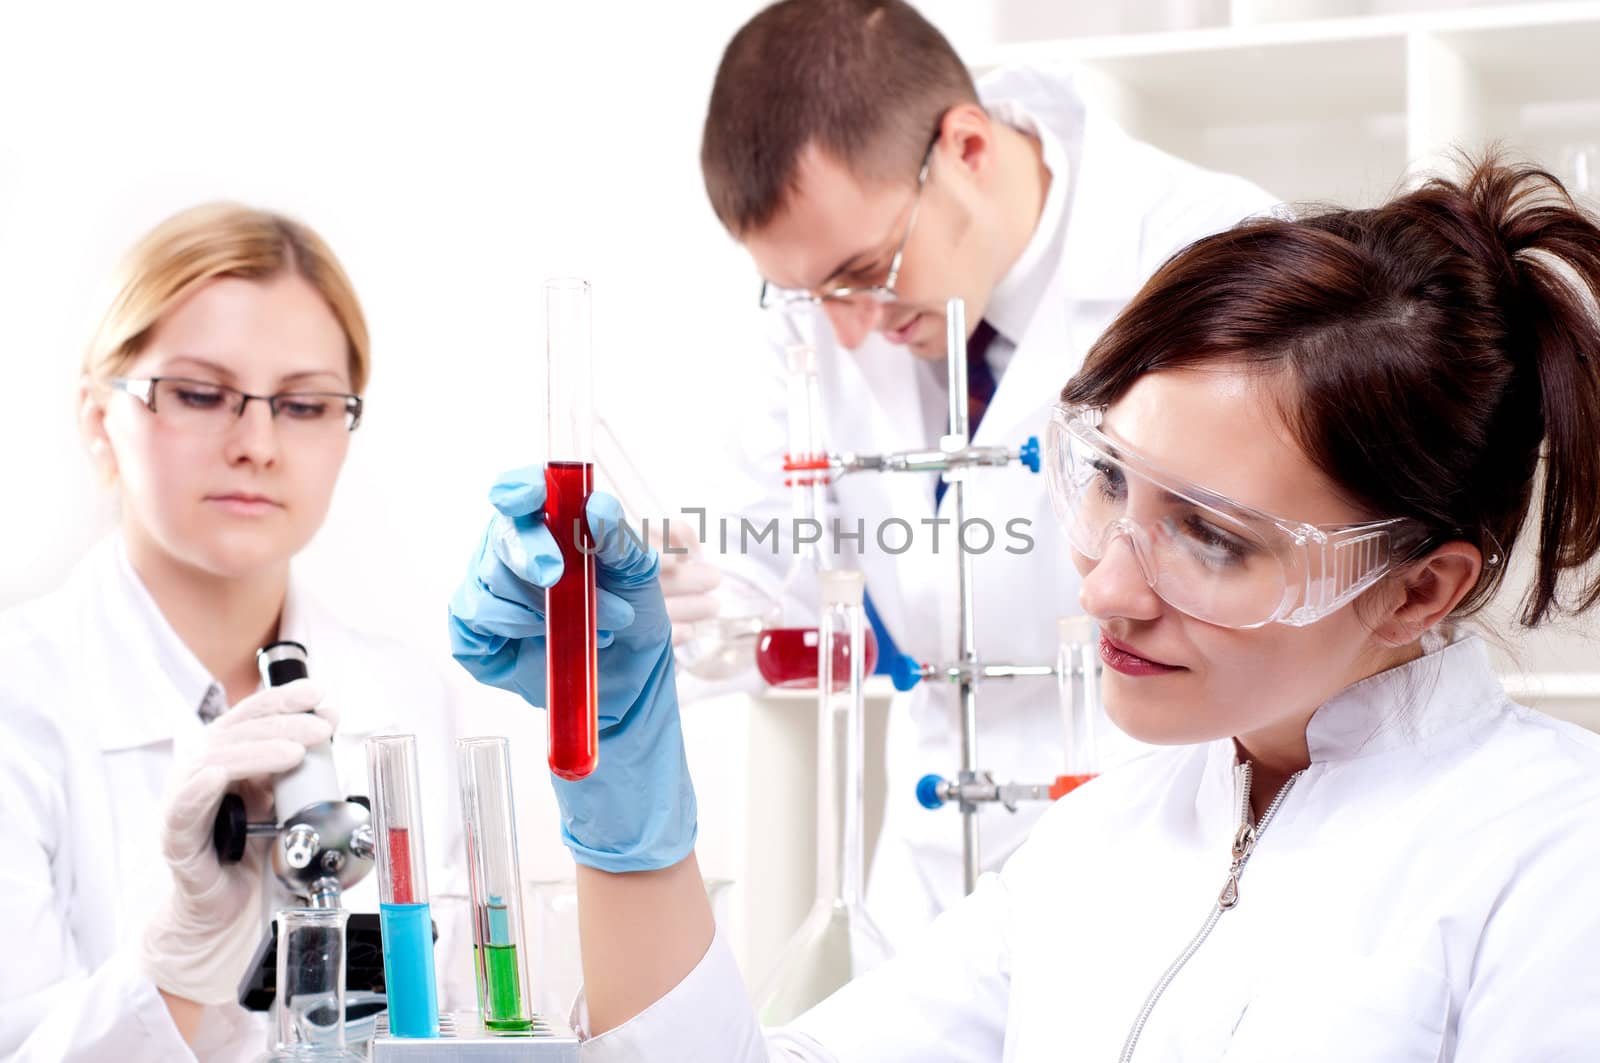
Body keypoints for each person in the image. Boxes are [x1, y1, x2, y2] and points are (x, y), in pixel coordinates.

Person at [450, 155, 1600, 1059]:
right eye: (1108, 482)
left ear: (1416, 587)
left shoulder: (1551, 861)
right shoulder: (1101, 844)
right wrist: (629, 818)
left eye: (1208, 536)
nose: (1104, 587)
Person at [666, 0, 1278, 945]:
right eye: (806, 294)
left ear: (967, 149)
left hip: (1172, 848)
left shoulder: (1209, 249)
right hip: (930, 874)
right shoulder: (822, 310)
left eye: (867, 271)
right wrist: (633, 602)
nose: (844, 326)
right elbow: (769, 582)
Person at [0, 204, 466, 1062]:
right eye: (201, 393)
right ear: (99, 417)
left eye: (304, 403)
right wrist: (176, 957)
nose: (256, 443)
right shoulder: (18, 701)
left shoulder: (406, 701)